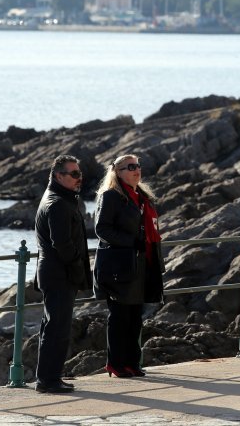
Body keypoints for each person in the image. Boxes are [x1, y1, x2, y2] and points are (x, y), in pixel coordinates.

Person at [94, 154, 165, 378]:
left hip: (141, 263)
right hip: (120, 265)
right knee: (120, 316)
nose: (136, 170)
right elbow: (102, 229)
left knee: (135, 316)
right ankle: (115, 363)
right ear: (118, 172)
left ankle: (132, 362)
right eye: (130, 167)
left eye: (138, 166)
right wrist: (131, 242)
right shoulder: (111, 196)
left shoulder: (142, 196)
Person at [34, 154, 92, 394]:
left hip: (56, 272)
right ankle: (48, 380)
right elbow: (63, 244)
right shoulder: (58, 203)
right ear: (59, 176)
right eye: (74, 174)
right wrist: (78, 268)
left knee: (54, 326)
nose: (79, 178)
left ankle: (50, 377)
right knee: (57, 327)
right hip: (59, 273)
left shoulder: (59, 198)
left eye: (80, 173)